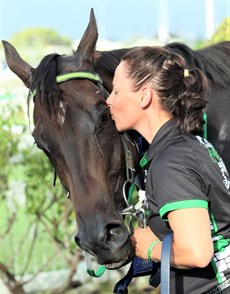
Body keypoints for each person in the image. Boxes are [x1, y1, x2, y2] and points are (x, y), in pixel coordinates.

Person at [106, 46, 230, 294]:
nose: (109, 100)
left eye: (116, 91)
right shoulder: (191, 143)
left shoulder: (171, 162)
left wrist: (149, 247)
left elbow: (196, 253)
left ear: (144, 96)